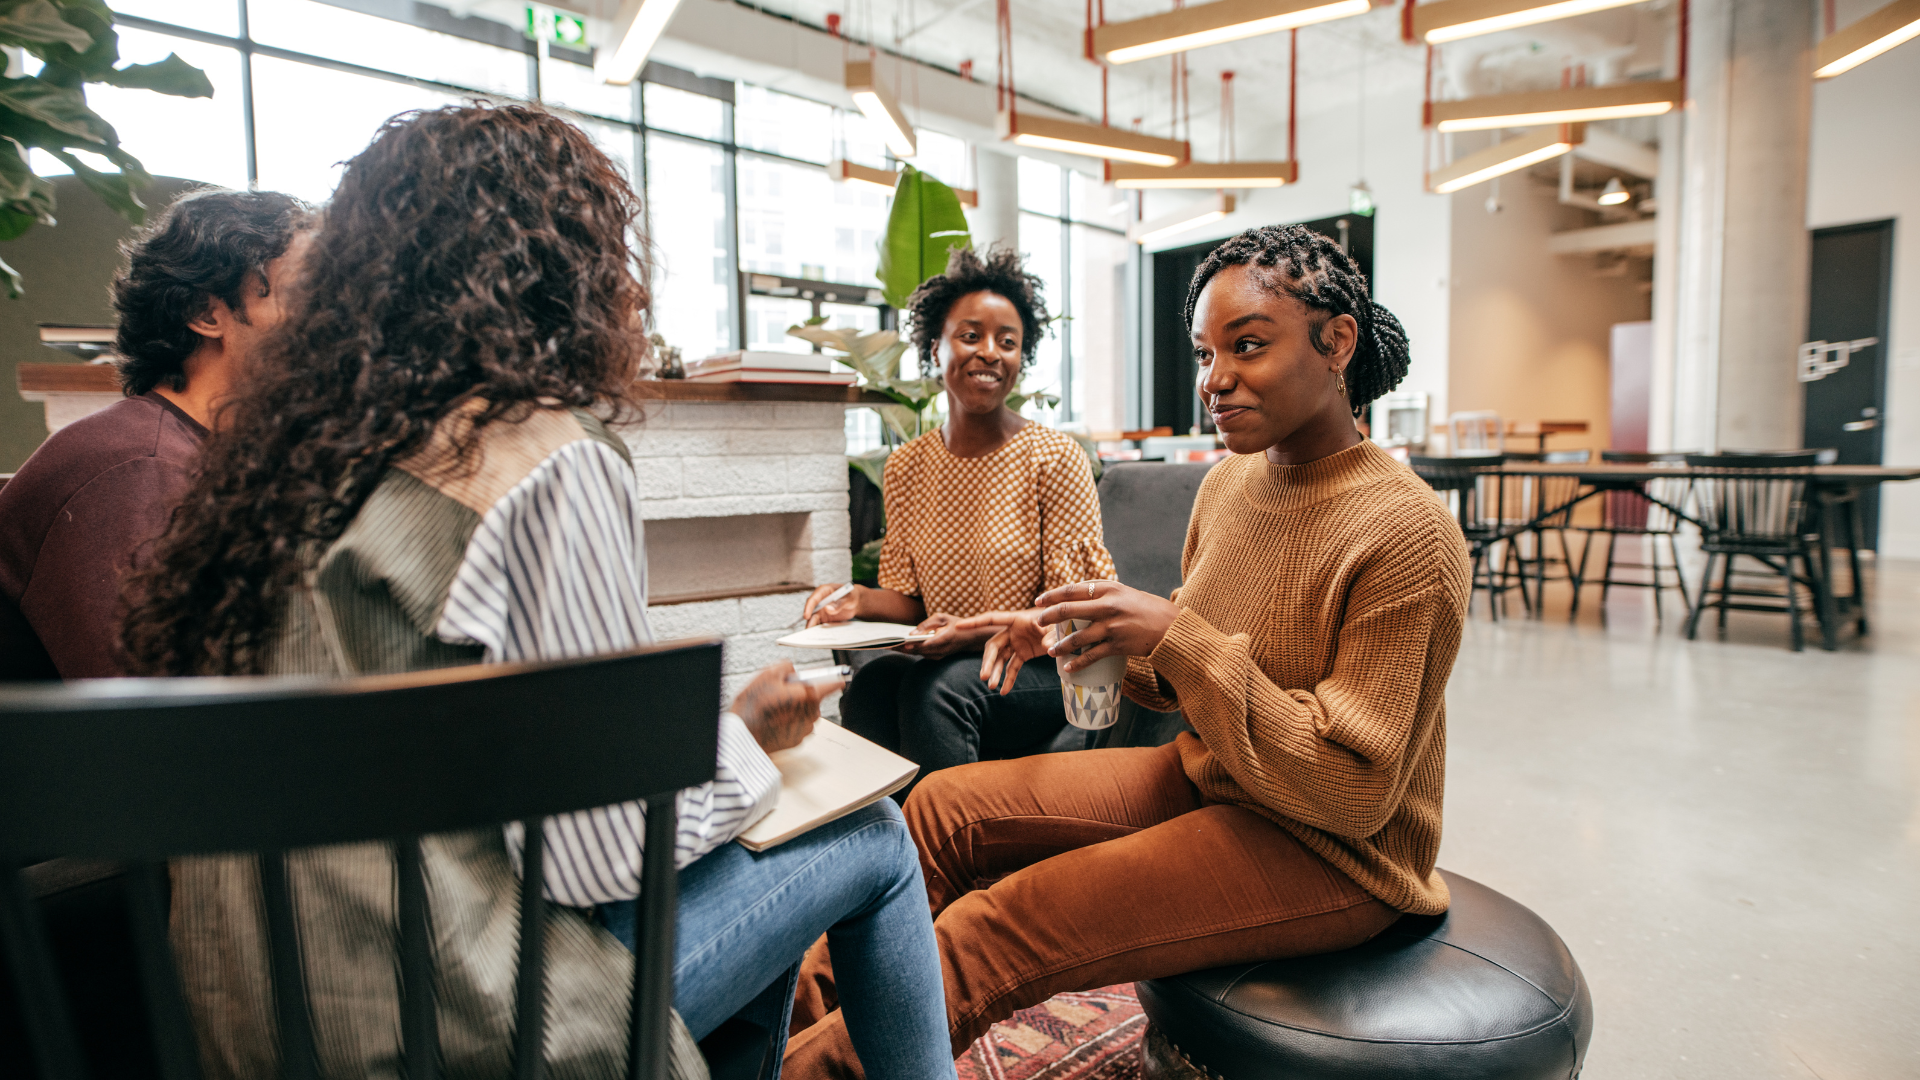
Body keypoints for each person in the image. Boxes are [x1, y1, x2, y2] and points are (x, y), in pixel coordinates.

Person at [120, 104, 954, 1080]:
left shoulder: (280, 468)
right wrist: (745, 746)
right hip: (459, 1033)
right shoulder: (539, 456)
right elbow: (597, 859)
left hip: (254, 1030)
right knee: (869, 832)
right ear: (566, 269)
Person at [784, 224, 1472, 1079]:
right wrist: (1083, 633)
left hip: (1335, 851)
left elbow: (1353, 790)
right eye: (1205, 353)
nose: (1215, 381)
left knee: (992, 930)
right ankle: (758, 1035)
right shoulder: (1229, 484)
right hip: (1213, 775)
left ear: (1337, 343)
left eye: (1248, 347)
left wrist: (1176, 638)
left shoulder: (1408, 531)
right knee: (935, 814)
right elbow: (1167, 682)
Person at [801, 246, 1114, 791]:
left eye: (1007, 342)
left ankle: (949, 865)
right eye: (971, 336)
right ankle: (885, 851)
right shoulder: (907, 466)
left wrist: (967, 633)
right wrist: (856, 599)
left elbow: (1076, 613)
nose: (990, 353)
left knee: (938, 689)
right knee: (874, 683)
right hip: (954, 658)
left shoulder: (1054, 457)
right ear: (934, 347)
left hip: (1042, 665)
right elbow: (909, 601)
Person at [0, 189, 311, 679]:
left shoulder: (220, 457)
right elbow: (159, 719)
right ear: (208, 315)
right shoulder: (137, 470)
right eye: (305, 293)